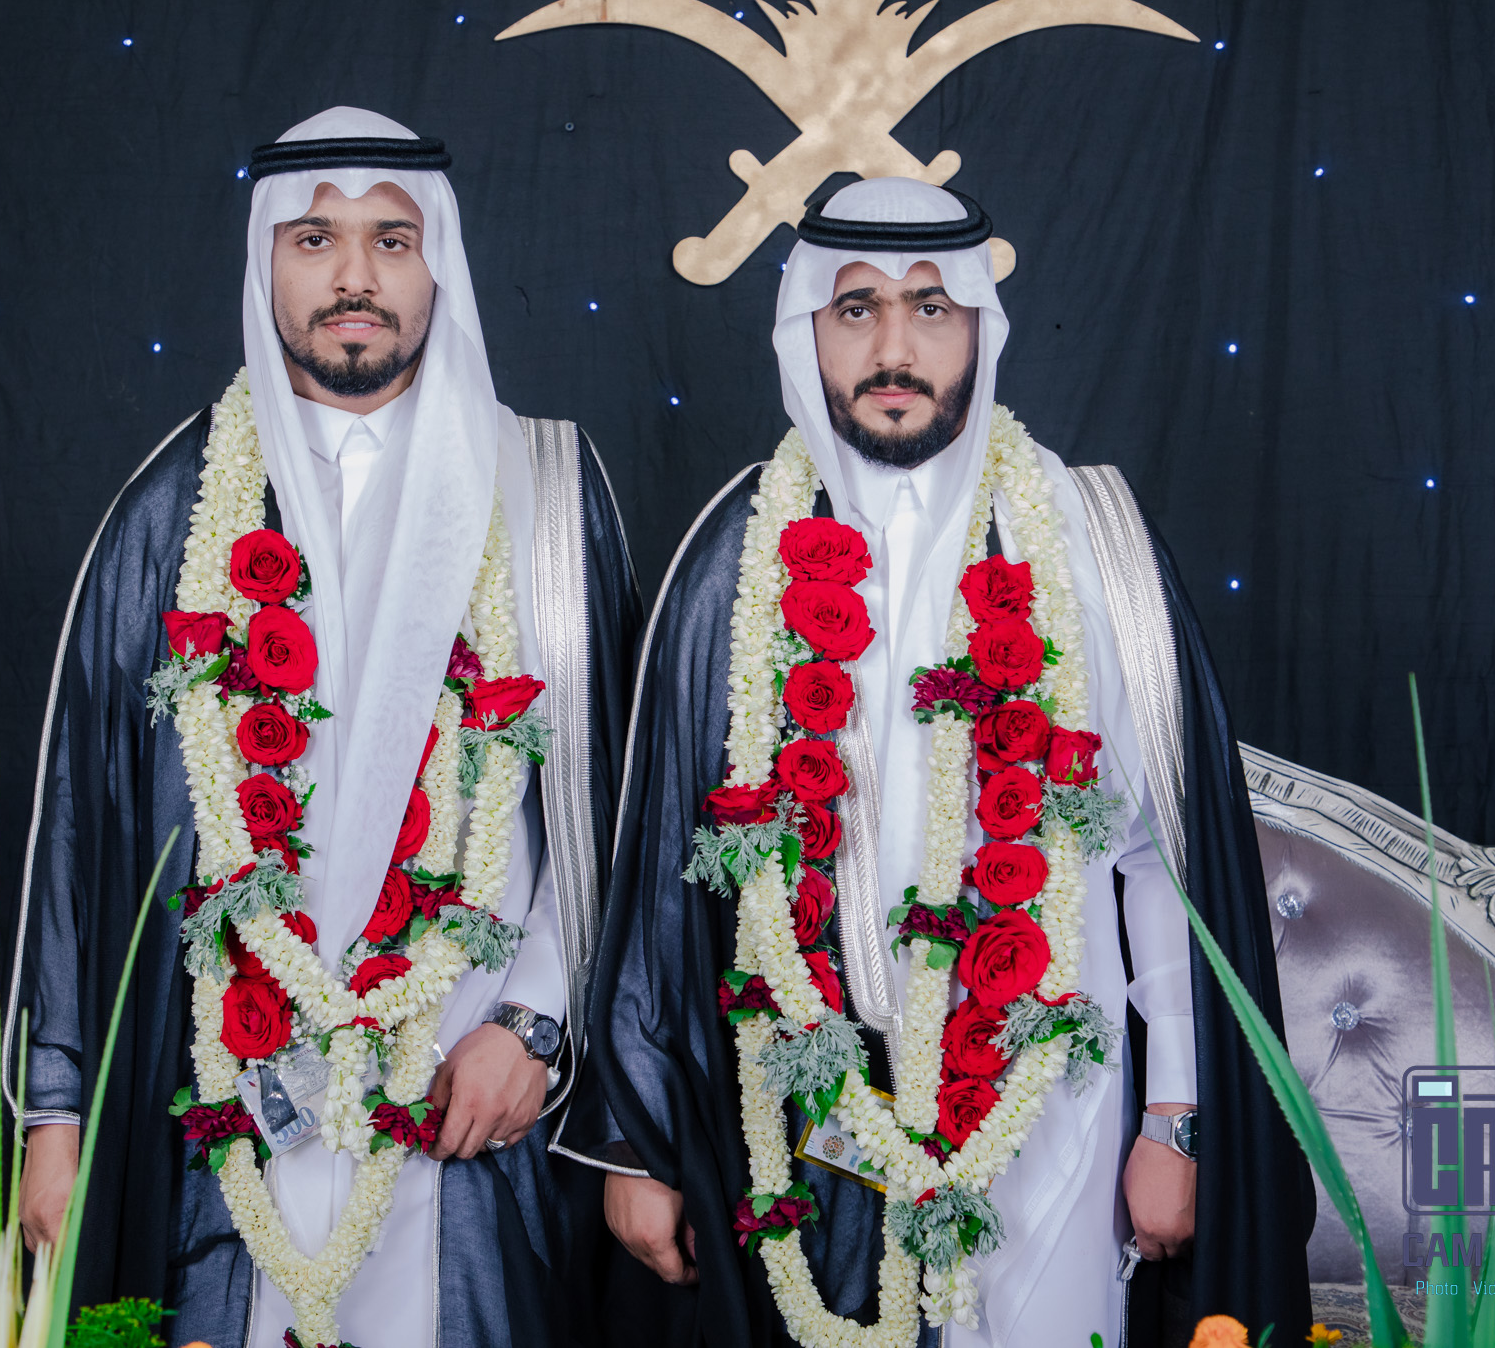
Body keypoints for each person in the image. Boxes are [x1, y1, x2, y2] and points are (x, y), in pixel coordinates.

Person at [555, 178, 1312, 1348]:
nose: (893, 349)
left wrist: (1175, 1123)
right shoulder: (732, 555)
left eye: (930, 308)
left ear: (979, 328)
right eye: (855, 308)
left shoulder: (1089, 541)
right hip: (799, 1116)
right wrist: (639, 1146)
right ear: (804, 328)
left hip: (1053, 1114)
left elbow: (1159, 860)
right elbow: (663, 883)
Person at [5, 106, 640, 1348]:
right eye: (315, 239)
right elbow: (81, 829)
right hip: (225, 1089)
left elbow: (612, 805)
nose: (354, 275)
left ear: (437, 263)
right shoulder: (172, 509)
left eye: (391, 240)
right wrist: (55, 1121)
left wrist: (534, 1025)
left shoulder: (544, 492)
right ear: (266, 263)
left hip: (469, 1096)